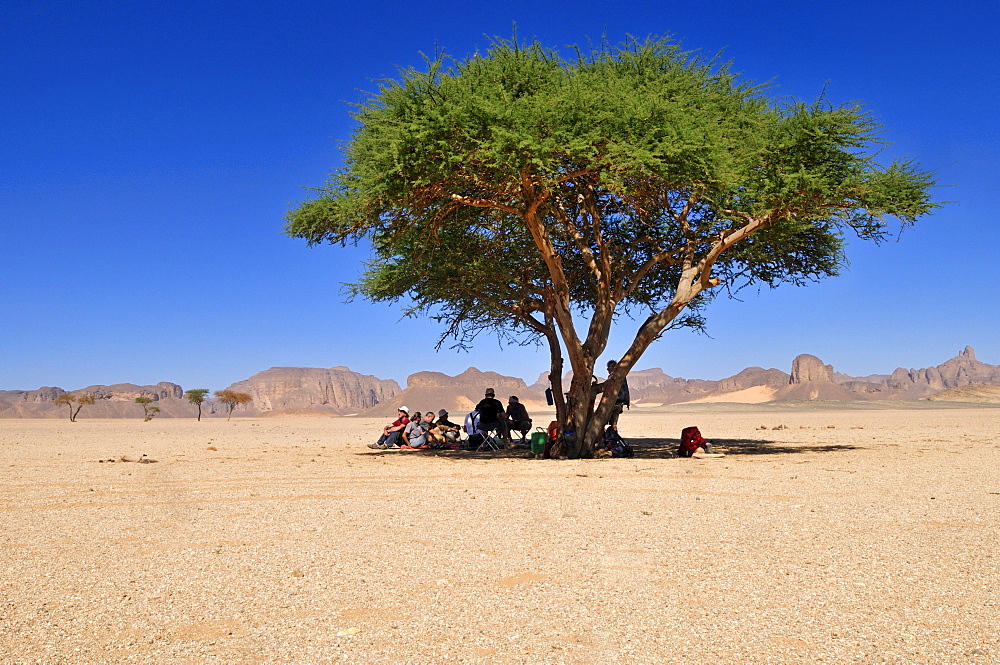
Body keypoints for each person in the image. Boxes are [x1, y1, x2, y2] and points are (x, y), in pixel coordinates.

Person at [599, 360, 630, 429]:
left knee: (601, 422)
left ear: (613, 367)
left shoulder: (614, 377)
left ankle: (607, 438)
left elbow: (606, 386)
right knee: (614, 424)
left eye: (608, 367)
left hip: (613, 403)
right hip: (619, 403)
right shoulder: (622, 376)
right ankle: (613, 437)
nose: (607, 369)